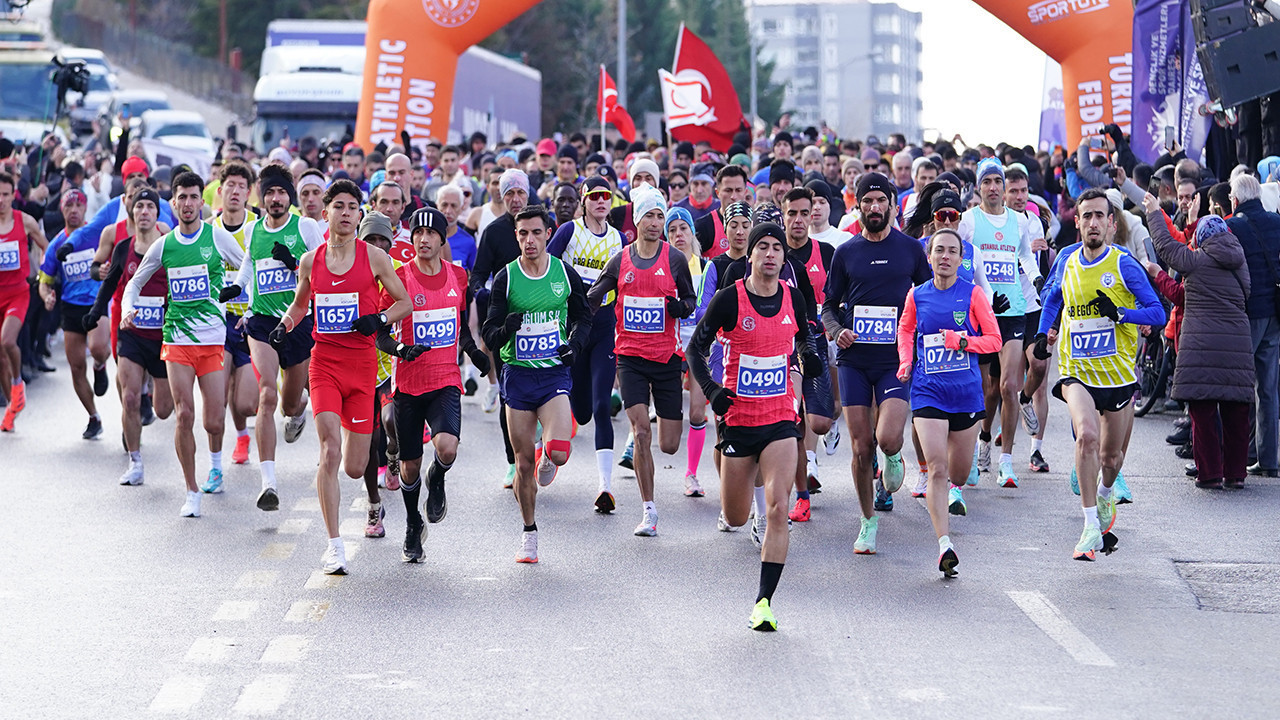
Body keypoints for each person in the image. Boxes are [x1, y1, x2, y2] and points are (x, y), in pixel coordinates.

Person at [687, 221, 823, 631]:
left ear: (784, 257)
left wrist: (807, 356)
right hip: (738, 421)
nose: (769, 253)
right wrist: (712, 391)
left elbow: (804, 335)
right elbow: (695, 348)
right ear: (750, 255)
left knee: (779, 509)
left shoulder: (793, 297)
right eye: (762, 246)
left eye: (776, 248)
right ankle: (748, 496)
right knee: (734, 514)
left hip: (780, 418)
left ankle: (764, 602)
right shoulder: (730, 299)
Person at [271, 182, 412, 574]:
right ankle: (334, 546)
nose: (346, 213)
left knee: (353, 465)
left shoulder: (375, 258)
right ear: (326, 214)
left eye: (352, 207)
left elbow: (404, 302)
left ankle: (370, 481)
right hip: (325, 365)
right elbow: (300, 306)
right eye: (339, 206)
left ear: (359, 215)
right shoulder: (310, 261)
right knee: (329, 451)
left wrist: (378, 319)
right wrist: (284, 325)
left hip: (362, 367)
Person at [1034, 188, 1164, 559]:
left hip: (1118, 375)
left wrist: (1121, 314)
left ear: (1111, 223)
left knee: (1111, 460)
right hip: (1077, 369)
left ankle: (1105, 493)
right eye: (1086, 216)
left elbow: (1157, 313)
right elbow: (1054, 298)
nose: (1093, 223)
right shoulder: (1066, 259)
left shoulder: (1124, 264)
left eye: (1099, 216)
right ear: (1077, 223)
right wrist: (1043, 333)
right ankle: (1090, 526)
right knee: (1087, 435)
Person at [121, 171, 246, 517]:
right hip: (176, 338)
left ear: (201, 202)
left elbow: (247, 265)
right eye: (182, 198)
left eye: (193, 197)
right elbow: (134, 283)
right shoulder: (164, 245)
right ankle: (191, 490)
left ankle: (216, 465)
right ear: (173, 204)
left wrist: (243, 299)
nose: (188, 204)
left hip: (212, 340)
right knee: (184, 414)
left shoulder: (216, 237)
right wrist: (128, 308)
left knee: (214, 420)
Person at [822, 172, 931, 553]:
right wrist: (837, 330)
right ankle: (868, 521)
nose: (874, 207)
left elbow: (928, 295)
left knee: (886, 438)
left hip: (894, 360)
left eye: (880, 200)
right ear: (858, 206)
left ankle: (894, 454)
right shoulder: (846, 252)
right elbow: (828, 306)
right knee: (860, 447)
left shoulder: (910, 250)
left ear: (892, 205)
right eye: (867, 201)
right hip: (854, 359)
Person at [481, 204, 592, 564]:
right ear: (516, 237)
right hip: (518, 376)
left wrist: (574, 346)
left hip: (553, 374)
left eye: (536, 233)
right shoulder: (507, 278)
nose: (530, 240)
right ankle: (529, 534)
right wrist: (506, 329)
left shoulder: (564, 273)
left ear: (548, 234)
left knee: (558, 452)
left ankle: (550, 454)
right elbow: (489, 333)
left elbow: (584, 318)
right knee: (523, 464)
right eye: (523, 234)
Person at [377, 207, 490, 561]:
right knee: (409, 466)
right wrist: (401, 349)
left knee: (447, 448)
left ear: (442, 239)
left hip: (445, 379)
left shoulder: (458, 275)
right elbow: (381, 333)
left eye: (431, 234)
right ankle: (413, 523)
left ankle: (437, 478)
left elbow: (461, 324)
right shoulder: (398, 278)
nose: (423, 239)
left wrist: (474, 351)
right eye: (418, 233)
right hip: (408, 383)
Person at [586, 186, 696, 536]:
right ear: (637, 220)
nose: (655, 222)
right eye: (649, 215)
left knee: (669, 444)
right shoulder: (620, 260)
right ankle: (649, 510)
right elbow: (593, 296)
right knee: (641, 432)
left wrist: (680, 308)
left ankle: (654, 461)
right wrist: (580, 312)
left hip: (666, 359)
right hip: (630, 358)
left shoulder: (674, 259)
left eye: (660, 216)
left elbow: (691, 301)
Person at [895, 229, 1002, 576]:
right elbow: (905, 330)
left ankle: (955, 489)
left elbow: (994, 341)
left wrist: (963, 342)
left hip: (965, 393)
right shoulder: (917, 295)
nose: (944, 256)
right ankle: (945, 544)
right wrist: (905, 360)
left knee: (957, 473)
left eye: (952, 251)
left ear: (960, 259)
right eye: (938, 250)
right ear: (929, 257)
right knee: (937, 468)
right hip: (928, 391)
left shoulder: (973, 294)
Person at [222, 164, 323, 511]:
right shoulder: (253, 229)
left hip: (297, 322)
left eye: (281, 192)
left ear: (289, 196)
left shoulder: (305, 227)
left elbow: (323, 270)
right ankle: (268, 483)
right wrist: (238, 286)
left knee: (288, 404)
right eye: (270, 193)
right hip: (262, 321)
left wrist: (294, 263)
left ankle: (298, 408)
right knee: (266, 394)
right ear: (261, 196)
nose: (275, 198)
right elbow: (250, 264)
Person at [1146, 200, 1254, 489]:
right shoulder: (1240, 263)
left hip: (1202, 345)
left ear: (1202, 239)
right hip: (1237, 344)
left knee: (1203, 411)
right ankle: (1236, 475)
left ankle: (1209, 474)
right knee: (1236, 412)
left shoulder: (1196, 262)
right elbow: (1189, 294)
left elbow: (1165, 246)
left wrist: (1154, 213)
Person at [958, 160, 1041, 489]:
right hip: (980, 314)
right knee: (986, 390)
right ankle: (981, 442)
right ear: (979, 187)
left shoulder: (1019, 220)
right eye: (987, 182)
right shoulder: (968, 220)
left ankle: (1006, 460)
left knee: (1008, 386)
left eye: (997, 181)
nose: (993, 187)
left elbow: (1025, 255)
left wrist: (1035, 277)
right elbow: (961, 261)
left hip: (1013, 310)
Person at [83, 187, 174, 484]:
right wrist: (96, 313)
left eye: (150, 207)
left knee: (163, 410)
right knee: (130, 398)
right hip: (131, 335)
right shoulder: (123, 248)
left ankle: (153, 394)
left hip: (163, 337)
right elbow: (109, 284)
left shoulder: (169, 246)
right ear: (132, 213)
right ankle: (135, 462)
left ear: (157, 214)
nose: (144, 211)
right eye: (139, 207)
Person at [548, 176, 624, 511]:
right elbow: (546, 266)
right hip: (574, 325)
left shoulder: (618, 239)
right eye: (594, 197)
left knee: (601, 406)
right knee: (580, 411)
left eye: (606, 196)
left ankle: (605, 487)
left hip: (605, 325)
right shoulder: (569, 232)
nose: (601, 201)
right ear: (584, 201)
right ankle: (547, 449)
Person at [471, 169, 532, 485]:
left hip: (542, 321)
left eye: (520, 192)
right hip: (507, 325)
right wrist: (483, 292)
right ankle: (512, 461)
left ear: (528, 194)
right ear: (500, 196)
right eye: (509, 193)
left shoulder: (542, 224)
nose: (515, 199)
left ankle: (542, 442)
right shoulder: (494, 232)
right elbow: (478, 274)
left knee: (545, 391)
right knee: (509, 396)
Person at [778, 187, 835, 521]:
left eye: (804, 213)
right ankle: (801, 495)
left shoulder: (825, 252)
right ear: (783, 215)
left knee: (820, 422)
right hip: (780, 348)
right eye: (792, 213)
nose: (798, 220)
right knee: (792, 421)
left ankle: (815, 448)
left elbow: (836, 297)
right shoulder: (772, 252)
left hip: (815, 340)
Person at [38, 188, 109, 439]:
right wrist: (47, 296)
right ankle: (93, 417)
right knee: (76, 367)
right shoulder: (56, 244)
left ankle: (100, 365)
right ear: (62, 210)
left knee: (98, 348)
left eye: (79, 205)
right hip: (70, 307)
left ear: (85, 208)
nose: (74, 210)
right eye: (69, 206)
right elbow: (44, 281)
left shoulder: (98, 235)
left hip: (97, 302)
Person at [1224, 174, 1280, 478]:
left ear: (1235, 199)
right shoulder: (1276, 221)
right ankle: (1269, 460)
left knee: (1236, 384)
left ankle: (1234, 457)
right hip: (1275, 311)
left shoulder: (1233, 226)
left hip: (1247, 314)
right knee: (1267, 388)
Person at [211, 160, 260, 471]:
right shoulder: (209, 230)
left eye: (242, 186)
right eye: (230, 185)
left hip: (252, 320)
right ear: (220, 190)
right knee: (217, 398)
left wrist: (254, 309)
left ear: (249, 193)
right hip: (220, 321)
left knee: (246, 403)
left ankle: (245, 428)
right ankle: (224, 456)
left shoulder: (258, 227)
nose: (235, 191)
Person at [0, 172, 47, 432]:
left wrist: (44, 277)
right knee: (0, 357)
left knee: (8, 341)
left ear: (13, 195)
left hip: (18, 293)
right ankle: (11, 407)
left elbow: (46, 247)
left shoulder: (24, 221)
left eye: (5, 194)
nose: (1, 200)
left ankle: (18, 383)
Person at [694, 165, 752, 258]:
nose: (733, 196)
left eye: (738, 190)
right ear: (718, 193)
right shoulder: (704, 226)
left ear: (745, 192)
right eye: (728, 190)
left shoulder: (756, 224)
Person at [435, 184, 476, 271]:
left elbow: (477, 274)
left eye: (453, 206)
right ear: (437, 206)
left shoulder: (468, 242)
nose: (448, 211)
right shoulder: (425, 239)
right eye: (444, 205)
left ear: (461, 208)